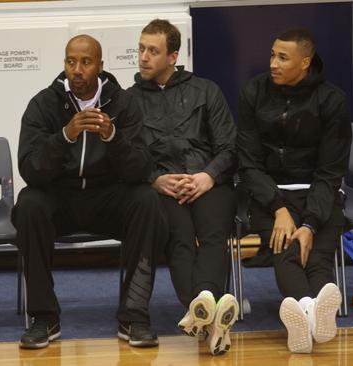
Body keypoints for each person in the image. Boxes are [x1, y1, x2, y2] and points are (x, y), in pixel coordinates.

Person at [12, 34, 168, 349]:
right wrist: (65, 136)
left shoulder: (124, 103)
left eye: (85, 62)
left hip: (107, 197)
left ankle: (134, 315)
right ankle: (44, 317)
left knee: (146, 200)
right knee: (29, 204)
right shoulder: (44, 103)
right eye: (71, 62)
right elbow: (30, 170)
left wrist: (114, 137)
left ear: (100, 65)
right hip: (61, 198)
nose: (77, 70)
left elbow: (140, 170)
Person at [128, 19, 239, 356]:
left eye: (153, 51)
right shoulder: (129, 100)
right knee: (179, 239)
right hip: (164, 187)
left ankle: (201, 306)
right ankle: (209, 312)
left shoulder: (206, 90)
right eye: (141, 49)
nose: (144, 57)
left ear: (173, 56)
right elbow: (126, 156)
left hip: (208, 182)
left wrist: (207, 176)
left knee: (213, 233)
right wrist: (154, 179)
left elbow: (229, 148)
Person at [237, 28, 351, 354]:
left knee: (316, 250)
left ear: (305, 62)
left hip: (319, 191)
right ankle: (310, 309)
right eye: (272, 54)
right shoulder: (253, 92)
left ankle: (305, 312)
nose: (273, 63)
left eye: (282, 58)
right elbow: (248, 162)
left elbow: (330, 171)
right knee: (284, 245)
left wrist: (311, 223)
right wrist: (278, 208)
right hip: (268, 193)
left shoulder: (331, 100)